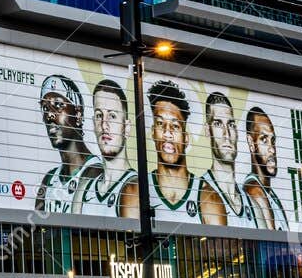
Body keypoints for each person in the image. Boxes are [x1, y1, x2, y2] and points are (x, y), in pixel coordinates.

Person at [34, 74, 102, 214]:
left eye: (58, 105)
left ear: (78, 114)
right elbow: (36, 232)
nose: (49, 115)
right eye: (45, 108)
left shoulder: (96, 173)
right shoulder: (49, 180)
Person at [82, 78, 141, 218]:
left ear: (126, 128)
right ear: (93, 123)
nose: (104, 125)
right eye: (99, 115)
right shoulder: (86, 188)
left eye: (112, 116)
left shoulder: (134, 187)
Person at [198, 91, 253, 226]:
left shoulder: (252, 204)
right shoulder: (200, 194)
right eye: (218, 124)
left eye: (231, 125)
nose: (226, 134)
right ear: (207, 130)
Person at [147, 79, 197, 217]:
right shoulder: (137, 190)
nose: (167, 133)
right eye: (160, 123)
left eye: (175, 126)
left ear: (186, 138)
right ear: (153, 132)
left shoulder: (206, 196)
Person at [242, 106, 289, 230]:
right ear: (251, 144)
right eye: (264, 140)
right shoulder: (255, 192)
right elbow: (272, 246)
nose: (272, 149)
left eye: (272, 140)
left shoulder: (270, 194)